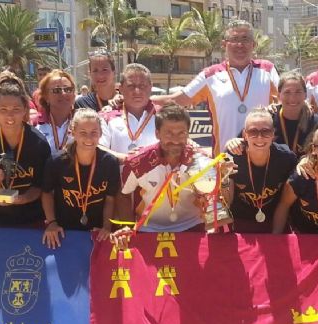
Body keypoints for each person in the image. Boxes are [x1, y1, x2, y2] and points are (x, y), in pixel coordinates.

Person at [152, 20, 279, 154]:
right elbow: (180, 99)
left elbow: (287, 97)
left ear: (253, 44)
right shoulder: (210, 75)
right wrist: (147, 100)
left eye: (245, 39)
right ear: (224, 44)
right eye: (234, 39)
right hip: (225, 159)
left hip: (263, 157)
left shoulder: (267, 70)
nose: (240, 44)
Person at [115, 103, 211, 233]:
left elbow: (213, 198)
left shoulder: (202, 160)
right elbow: (124, 195)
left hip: (192, 227)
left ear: (188, 133)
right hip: (149, 228)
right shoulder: (137, 162)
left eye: (181, 133)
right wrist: (128, 227)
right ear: (157, 133)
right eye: (169, 133)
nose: (175, 140)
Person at [0, 73, 51, 227]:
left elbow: (39, 187)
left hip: (31, 219)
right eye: (3, 109)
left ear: (25, 109)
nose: (10, 115)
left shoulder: (38, 142)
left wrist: (20, 199)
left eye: (16, 109)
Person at [41, 109, 119, 248]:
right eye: (83, 133)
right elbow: (46, 193)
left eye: (94, 133)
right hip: (64, 232)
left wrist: (106, 227)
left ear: (101, 133)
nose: (89, 138)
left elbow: (110, 199)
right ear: (73, 132)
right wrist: (52, 223)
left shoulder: (109, 162)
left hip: (96, 232)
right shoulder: (57, 162)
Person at [221, 108, 297, 233]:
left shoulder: (286, 158)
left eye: (265, 131)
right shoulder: (232, 157)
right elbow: (226, 201)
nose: (260, 137)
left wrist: (275, 237)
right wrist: (223, 178)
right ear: (245, 134)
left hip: (273, 221)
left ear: (273, 134)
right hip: (240, 222)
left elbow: (286, 202)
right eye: (253, 132)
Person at [225, 71, 318, 158]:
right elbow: (237, 144)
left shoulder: (317, 124)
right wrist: (232, 143)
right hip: (272, 175)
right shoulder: (267, 119)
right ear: (278, 95)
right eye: (287, 92)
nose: (293, 97)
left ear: (305, 94)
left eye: (298, 92)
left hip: (303, 176)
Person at [101, 63, 158, 159]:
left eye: (142, 86)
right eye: (131, 86)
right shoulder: (106, 117)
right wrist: (128, 160)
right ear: (121, 88)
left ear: (150, 87)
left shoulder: (163, 116)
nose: (137, 91)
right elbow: (99, 148)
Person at [35, 69, 77, 157]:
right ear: (46, 96)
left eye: (68, 89)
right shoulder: (35, 124)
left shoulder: (83, 121)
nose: (63, 93)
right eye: (56, 90)